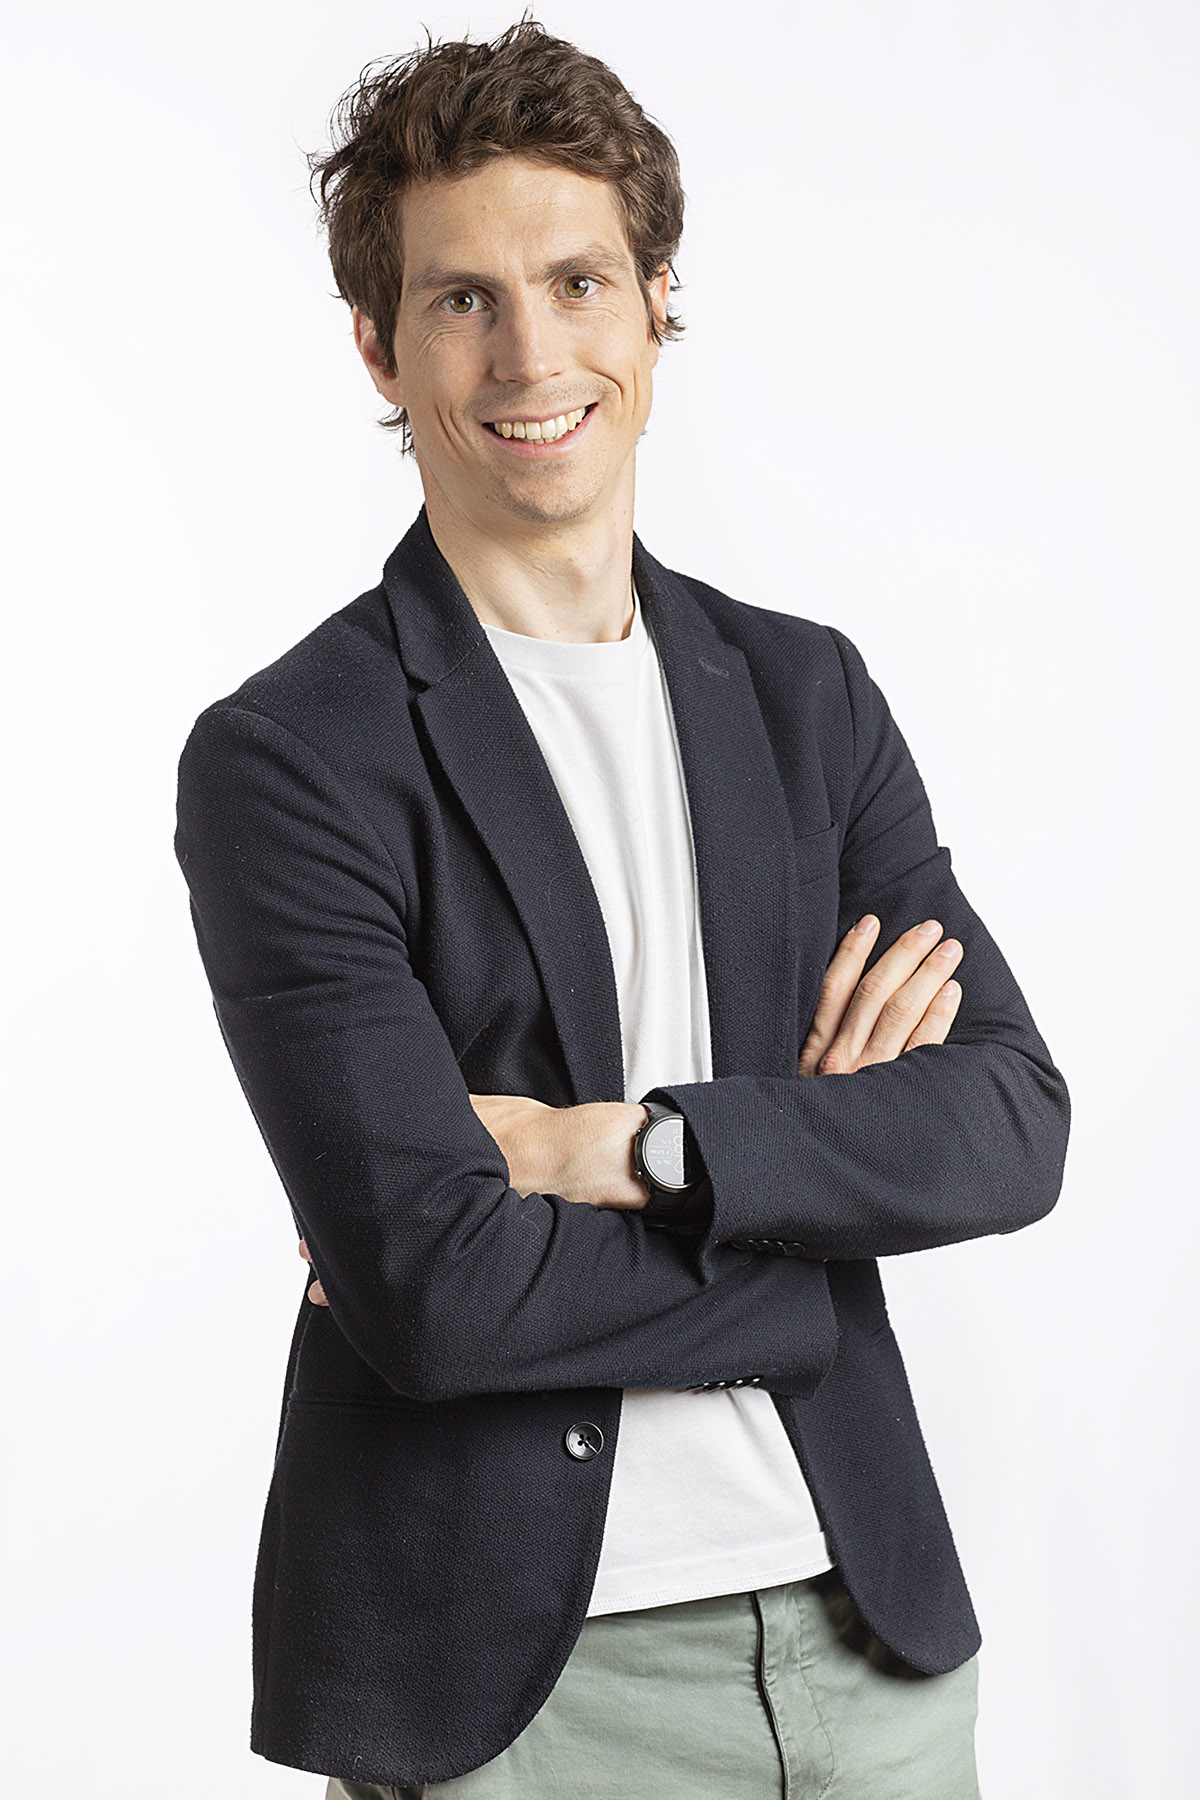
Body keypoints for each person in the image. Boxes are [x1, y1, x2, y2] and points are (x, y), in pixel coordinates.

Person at [173, 19, 1070, 1798]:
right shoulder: (291, 759)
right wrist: (809, 1229)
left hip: (868, 1646)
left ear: (658, 304)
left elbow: (1004, 1124)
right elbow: (432, 1291)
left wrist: (627, 1147)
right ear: (378, 343)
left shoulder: (806, 698)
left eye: (578, 281)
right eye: (463, 300)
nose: (532, 354)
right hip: (520, 1696)